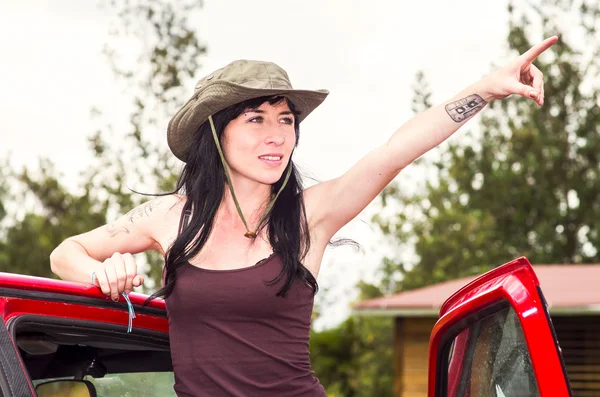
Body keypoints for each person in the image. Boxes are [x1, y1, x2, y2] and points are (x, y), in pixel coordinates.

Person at [50, 36, 558, 396]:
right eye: (256, 120)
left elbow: (395, 151)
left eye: (286, 120)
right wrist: (101, 273)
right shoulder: (169, 218)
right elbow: (64, 253)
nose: (277, 135)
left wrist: (485, 89)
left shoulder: (310, 215)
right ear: (217, 134)